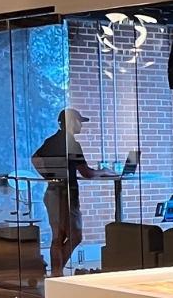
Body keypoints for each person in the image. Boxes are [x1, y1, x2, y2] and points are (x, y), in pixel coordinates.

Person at [32, 108, 113, 277]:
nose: (81, 125)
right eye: (79, 121)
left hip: (52, 192)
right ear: (71, 122)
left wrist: (49, 176)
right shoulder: (72, 143)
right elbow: (87, 173)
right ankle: (57, 273)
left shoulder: (51, 140)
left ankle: (56, 275)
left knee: (57, 236)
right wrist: (103, 171)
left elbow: (35, 159)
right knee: (75, 235)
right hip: (66, 194)